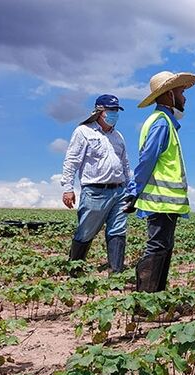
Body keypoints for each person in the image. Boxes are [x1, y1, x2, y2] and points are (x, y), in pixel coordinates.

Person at [122, 71, 195, 293]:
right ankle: (146, 302)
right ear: (168, 95)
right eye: (181, 92)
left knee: (163, 246)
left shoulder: (165, 122)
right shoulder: (161, 123)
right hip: (160, 200)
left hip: (165, 202)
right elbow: (147, 159)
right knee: (157, 247)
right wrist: (133, 191)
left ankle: (157, 298)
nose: (184, 98)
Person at [61, 94, 131, 274]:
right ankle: (74, 270)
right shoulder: (84, 132)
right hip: (95, 191)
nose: (114, 114)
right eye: (111, 110)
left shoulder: (118, 136)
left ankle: (116, 273)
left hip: (119, 190)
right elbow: (71, 161)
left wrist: (130, 190)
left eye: (116, 110)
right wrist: (68, 188)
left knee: (118, 230)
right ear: (100, 112)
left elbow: (125, 164)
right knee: (86, 231)